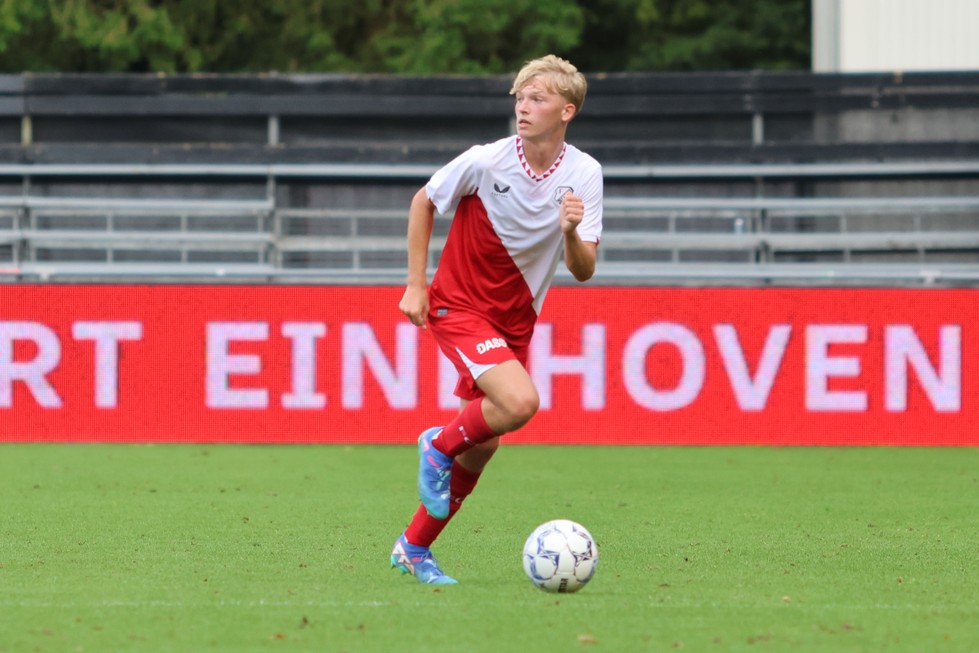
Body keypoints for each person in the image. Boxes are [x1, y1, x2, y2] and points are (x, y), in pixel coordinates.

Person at [390, 54, 603, 584]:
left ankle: (413, 547)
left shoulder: (585, 173)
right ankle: (435, 445)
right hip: (459, 304)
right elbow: (424, 201)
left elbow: (584, 270)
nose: (523, 108)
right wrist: (416, 284)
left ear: (567, 110)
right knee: (520, 401)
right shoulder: (486, 161)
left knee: (483, 445)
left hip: (513, 321)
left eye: (537, 99)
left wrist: (571, 231)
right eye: (520, 98)